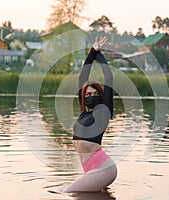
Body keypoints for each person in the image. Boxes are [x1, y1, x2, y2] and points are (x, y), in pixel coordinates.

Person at [63, 36, 117, 193]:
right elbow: (82, 77)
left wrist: (99, 54)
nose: (90, 96)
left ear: (100, 96)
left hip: (103, 168)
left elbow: (109, 77)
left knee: (69, 193)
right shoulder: (83, 113)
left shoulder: (103, 112)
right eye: (87, 94)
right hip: (89, 168)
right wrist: (92, 51)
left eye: (94, 93)